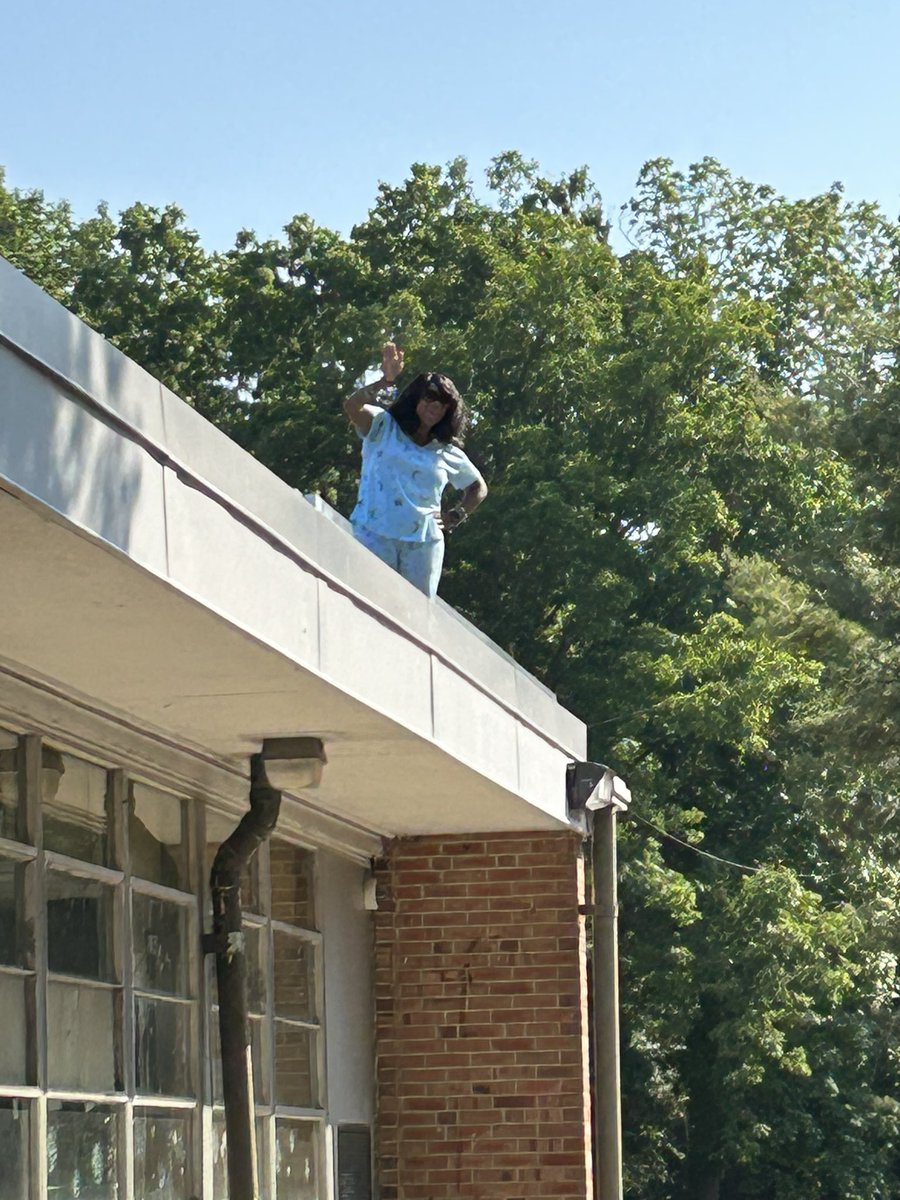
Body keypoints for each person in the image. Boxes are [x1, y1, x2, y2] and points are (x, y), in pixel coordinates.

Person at [343, 342, 488, 598]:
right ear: (416, 397)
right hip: (373, 534)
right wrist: (386, 381)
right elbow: (352, 407)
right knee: (363, 603)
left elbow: (478, 487)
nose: (436, 406)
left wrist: (456, 515)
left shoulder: (445, 451)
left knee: (413, 615)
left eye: (444, 403)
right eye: (430, 397)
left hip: (422, 546)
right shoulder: (383, 426)